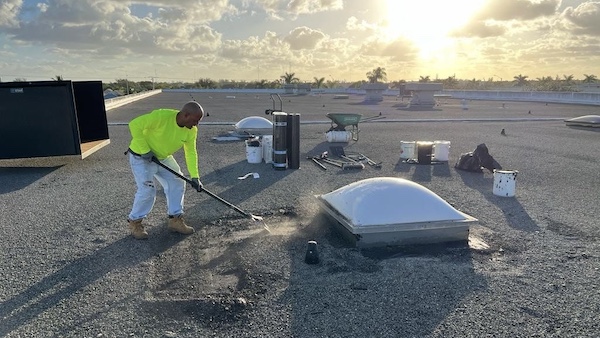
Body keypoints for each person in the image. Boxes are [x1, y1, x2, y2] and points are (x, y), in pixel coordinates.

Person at [125, 101, 205, 240]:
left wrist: (195, 177)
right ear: (185, 115)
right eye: (194, 120)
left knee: (178, 182)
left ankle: (175, 219)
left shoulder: (191, 130)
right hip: (141, 157)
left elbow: (191, 152)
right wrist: (145, 150)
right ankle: (135, 222)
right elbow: (134, 124)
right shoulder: (162, 116)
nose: (196, 124)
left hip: (162, 157)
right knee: (147, 190)